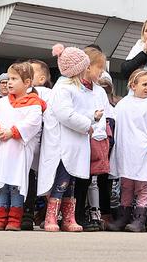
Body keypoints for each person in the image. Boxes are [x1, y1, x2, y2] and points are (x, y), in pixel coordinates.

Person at [40, 43, 106, 232]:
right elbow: (65, 114)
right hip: (63, 144)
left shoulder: (78, 88)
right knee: (61, 180)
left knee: (71, 181)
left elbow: (79, 111)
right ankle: (51, 216)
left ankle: (69, 218)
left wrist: (92, 118)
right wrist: (88, 122)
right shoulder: (63, 88)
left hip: (75, 143)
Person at [0, 61, 44, 231]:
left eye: (14, 79)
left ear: (27, 82)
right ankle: (1, 217)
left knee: (16, 184)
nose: (9, 82)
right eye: (9, 78)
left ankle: (15, 218)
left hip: (19, 151)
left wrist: (13, 132)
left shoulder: (34, 103)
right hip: (2, 150)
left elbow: (33, 123)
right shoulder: (2, 102)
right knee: (1, 184)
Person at [109, 67, 147, 232]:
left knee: (141, 186)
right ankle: (123, 217)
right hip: (125, 150)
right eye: (144, 84)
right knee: (126, 185)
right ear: (133, 85)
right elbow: (114, 124)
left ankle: (139, 219)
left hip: (143, 151)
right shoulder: (123, 104)